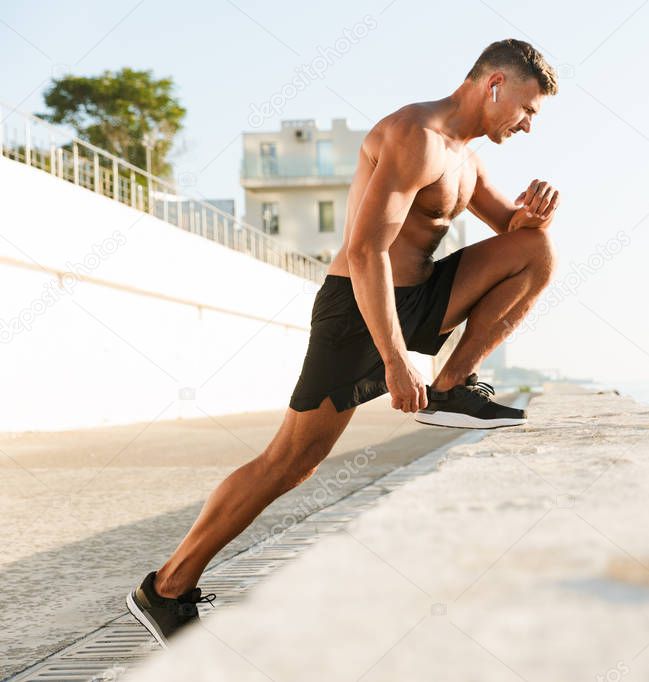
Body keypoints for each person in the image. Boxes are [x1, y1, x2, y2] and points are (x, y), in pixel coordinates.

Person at [126, 37, 561, 646]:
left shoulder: (466, 156)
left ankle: (453, 385)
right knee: (292, 463)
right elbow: (365, 250)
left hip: (420, 296)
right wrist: (393, 359)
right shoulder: (416, 134)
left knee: (536, 252)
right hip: (357, 309)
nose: (528, 125)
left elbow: (509, 233)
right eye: (528, 109)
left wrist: (532, 218)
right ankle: (165, 588)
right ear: (494, 85)